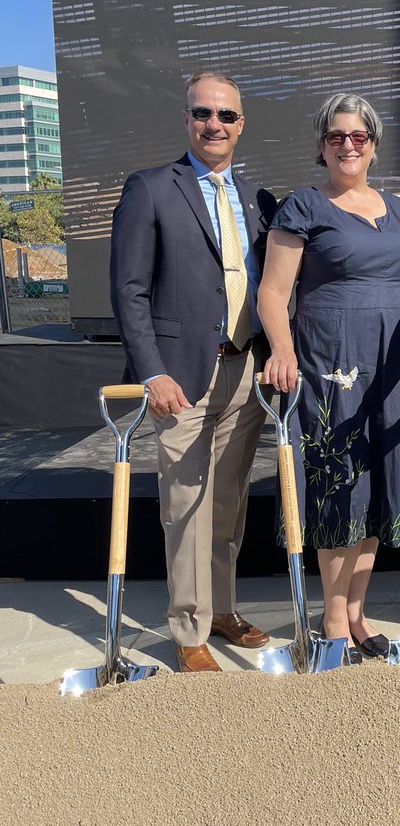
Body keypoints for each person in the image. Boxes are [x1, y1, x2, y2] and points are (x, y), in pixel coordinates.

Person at [110, 72, 276, 673]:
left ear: (241, 124)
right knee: (185, 503)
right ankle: (188, 628)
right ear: (186, 119)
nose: (214, 124)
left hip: (245, 370)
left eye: (226, 115)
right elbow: (129, 290)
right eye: (203, 113)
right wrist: (151, 372)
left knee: (228, 502)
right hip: (179, 377)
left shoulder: (260, 199)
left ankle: (221, 610)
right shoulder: (151, 188)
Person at [257, 94, 400, 664]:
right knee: (339, 485)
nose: (348, 145)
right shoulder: (303, 206)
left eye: (358, 136)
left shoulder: (398, 209)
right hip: (334, 362)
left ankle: (356, 610)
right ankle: (331, 618)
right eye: (336, 136)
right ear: (321, 145)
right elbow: (273, 292)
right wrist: (283, 350)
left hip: (394, 364)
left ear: (374, 144)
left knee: (380, 485)